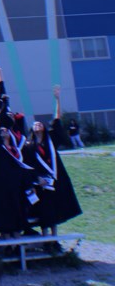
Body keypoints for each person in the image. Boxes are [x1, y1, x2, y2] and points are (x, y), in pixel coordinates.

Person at [23, 86, 82, 240]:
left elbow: (57, 120)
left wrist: (57, 99)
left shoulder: (51, 140)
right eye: (34, 125)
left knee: (55, 210)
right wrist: (36, 179)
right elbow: (28, 166)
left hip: (55, 180)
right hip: (41, 183)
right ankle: (45, 239)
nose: (37, 125)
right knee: (44, 211)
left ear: (43, 127)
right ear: (31, 129)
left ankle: (54, 239)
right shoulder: (28, 146)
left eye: (39, 124)